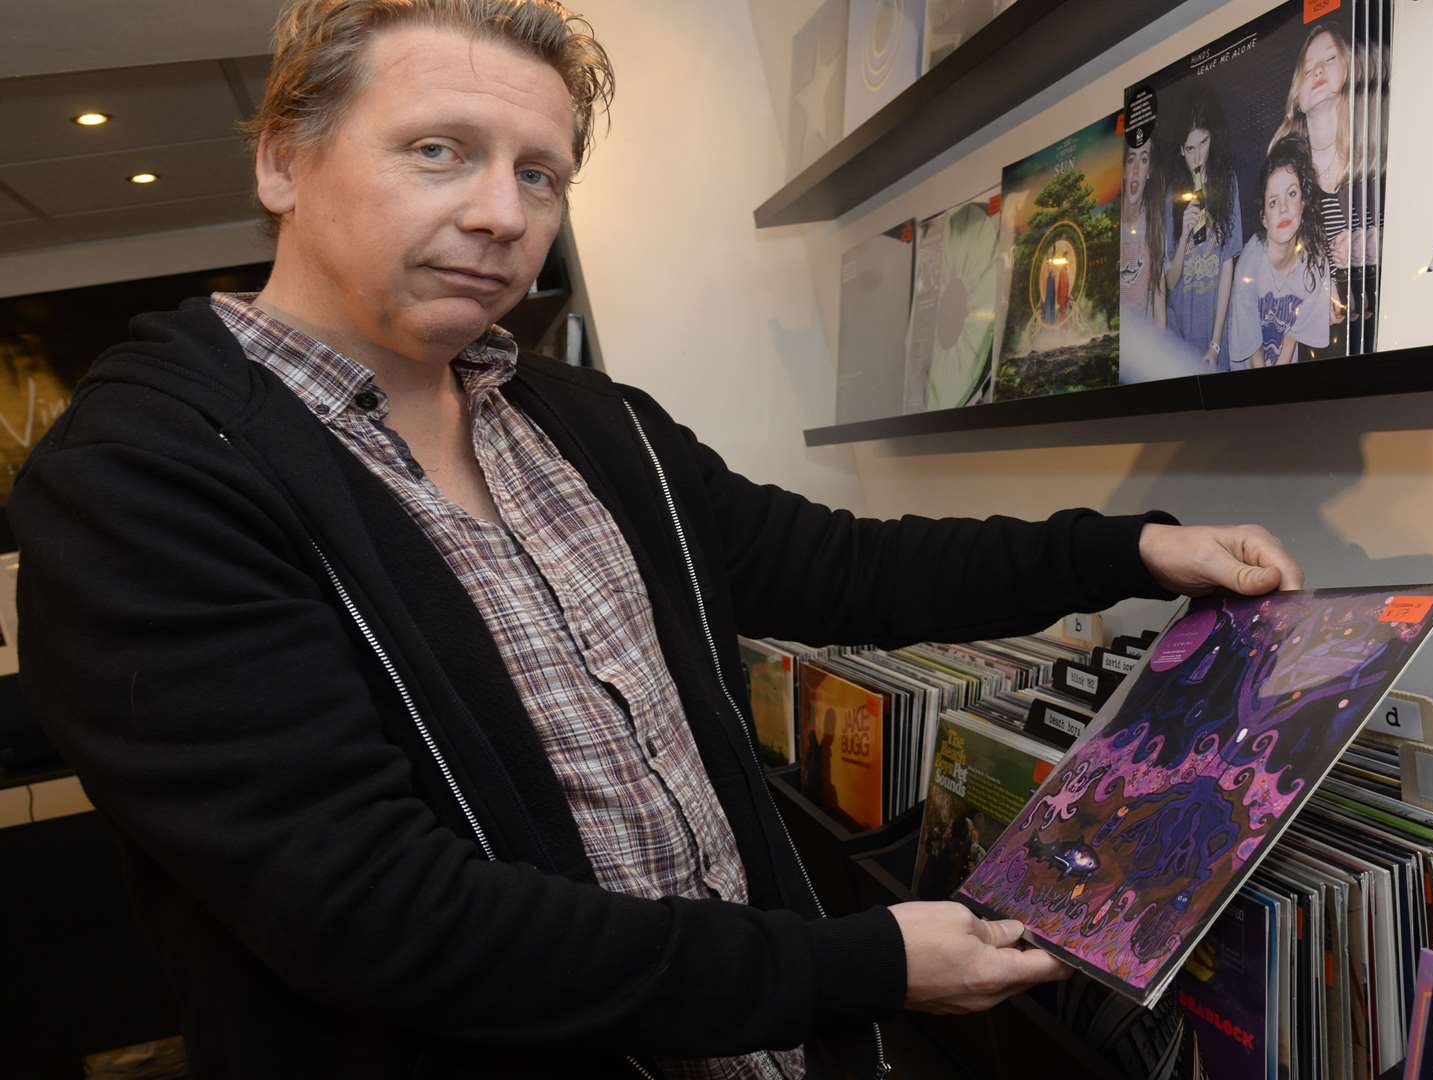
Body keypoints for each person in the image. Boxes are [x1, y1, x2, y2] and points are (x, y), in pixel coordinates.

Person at [8, 2, 1305, 1079]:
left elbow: (840, 567)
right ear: (284, 158)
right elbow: (376, 916)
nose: (502, 215)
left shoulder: (576, 413)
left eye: (539, 173)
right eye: (439, 151)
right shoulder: (142, 484)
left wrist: (1130, 552)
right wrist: (871, 965)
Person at [1272, 22, 1361, 360]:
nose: (1319, 70)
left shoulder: (1376, 159)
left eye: (1329, 59)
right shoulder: (1283, 170)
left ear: (1351, 70)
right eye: (1308, 69)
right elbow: (1272, 263)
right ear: (1298, 95)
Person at [1228, 136, 1332, 368]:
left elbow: (1293, 335)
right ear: (1264, 217)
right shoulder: (1250, 261)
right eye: (1273, 202)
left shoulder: (1314, 260)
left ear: (1304, 202)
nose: (1284, 207)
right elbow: (1253, 352)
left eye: (1292, 194)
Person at [1161, 87, 1243, 370]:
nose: (1197, 158)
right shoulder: (1173, 193)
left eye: (1203, 143)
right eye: (1190, 149)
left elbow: (1227, 267)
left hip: (1214, 334)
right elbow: (1170, 282)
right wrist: (1183, 236)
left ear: (1213, 138)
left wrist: (1216, 344)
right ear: (1181, 149)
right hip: (1180, 333)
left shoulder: (1226, 183)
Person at [1118, 136, 1167, 328]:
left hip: (1142, 348)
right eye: (1131, 159)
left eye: (1144, 159)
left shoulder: (1154, 226)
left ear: (1149, 172)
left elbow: (1159, 305)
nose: (1136, 169)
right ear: (1123, 169)